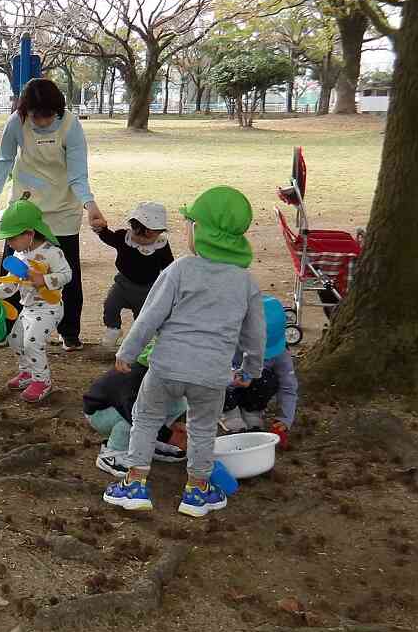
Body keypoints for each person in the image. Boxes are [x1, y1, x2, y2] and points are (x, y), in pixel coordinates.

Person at [102, 186, 266, 518]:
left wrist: (128, 352)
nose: (187, 231)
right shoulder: (246, 283)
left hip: (165, 368)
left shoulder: (179, 270)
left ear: (203, 231)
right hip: (211, 375)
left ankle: (134, 484)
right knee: (203, 428)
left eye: (190, 224)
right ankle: (197, 492)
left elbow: (149, 317)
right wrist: (251, 370)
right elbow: (255, 335)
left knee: (146, 419)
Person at [0, 78, 106, 349]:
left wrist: (90, 205)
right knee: (13, 267)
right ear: (24, 111)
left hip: (62, 208)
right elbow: (4, 160)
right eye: (34, 116)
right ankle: (5, 328)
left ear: (58, 110)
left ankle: (69, 331)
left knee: (67, 269)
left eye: (47, 115)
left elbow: (78, 174)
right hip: (24, 210)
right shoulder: (16, 123)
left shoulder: (70, 125)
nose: (41, 122)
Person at [0, 200, 71, 404]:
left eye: (12, 238)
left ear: (29, 233)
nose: (8, 243)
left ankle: (42, 381)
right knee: (15, 340)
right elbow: (12, 283)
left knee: (32, 343)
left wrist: (45, 279)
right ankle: (27, 372)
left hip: (49, 307)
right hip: (28, 307)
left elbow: (67, 275)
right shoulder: (19, 254)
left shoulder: (52, 252)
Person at [83, 341, 188, 478]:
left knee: (178, 403)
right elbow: (135, 414)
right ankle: (112, 452)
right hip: (103, 413)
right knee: (133, 421)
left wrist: (175, 424)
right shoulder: (131, 375)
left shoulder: (159, 375)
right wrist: (169, 436)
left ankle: (149, 441)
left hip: (130, 409)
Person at [94, 202, 175, 348]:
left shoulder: (161, 245)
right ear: (134, 228)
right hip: (122, 285)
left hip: (148, 290)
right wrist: (101, 229)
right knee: (110, 305)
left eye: (154, 235)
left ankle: (139, 342)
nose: (145, 240)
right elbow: (108, 237)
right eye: (140, 234)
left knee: (142, 318)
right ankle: (113, 329)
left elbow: (169, 266)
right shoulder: (124, 237)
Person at [221, 295, 299, 444]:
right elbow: (206, 372)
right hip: (227, 388)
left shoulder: (281, 355)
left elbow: (288, 387)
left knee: (268, 379)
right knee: (217, 385)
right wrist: (230, 378)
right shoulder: (226, 341)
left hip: (251, 390)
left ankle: (251, 411)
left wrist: (285, 418)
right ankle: (228, 412)